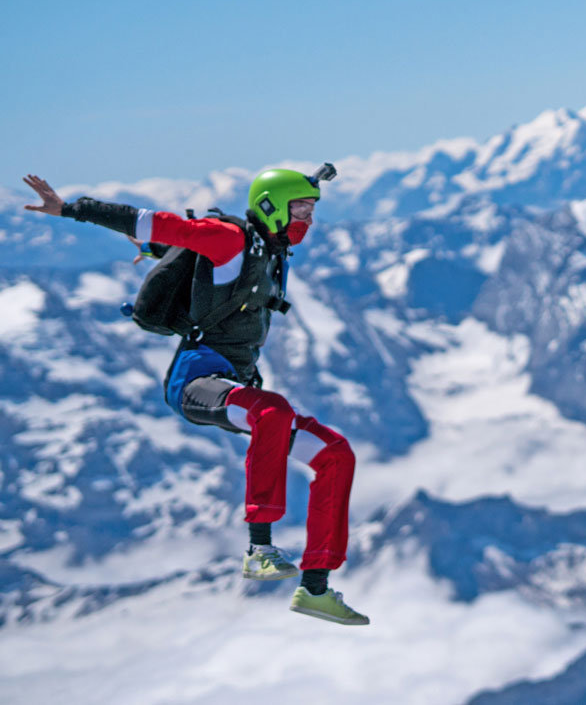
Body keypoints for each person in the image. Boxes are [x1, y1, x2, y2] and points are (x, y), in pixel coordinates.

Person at [22, 168, 369, 626]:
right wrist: (72, 209)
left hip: (238, 386)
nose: (308, 218)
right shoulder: (229, 237)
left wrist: (156, 252)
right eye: (301, 208)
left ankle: (316, 587)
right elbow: (156, 221)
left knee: (336, 454)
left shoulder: (271, 251)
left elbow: (193, 262)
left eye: (311, 210)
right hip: (195, 381)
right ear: (273, 205)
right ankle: (259, 547)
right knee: (273, 411)